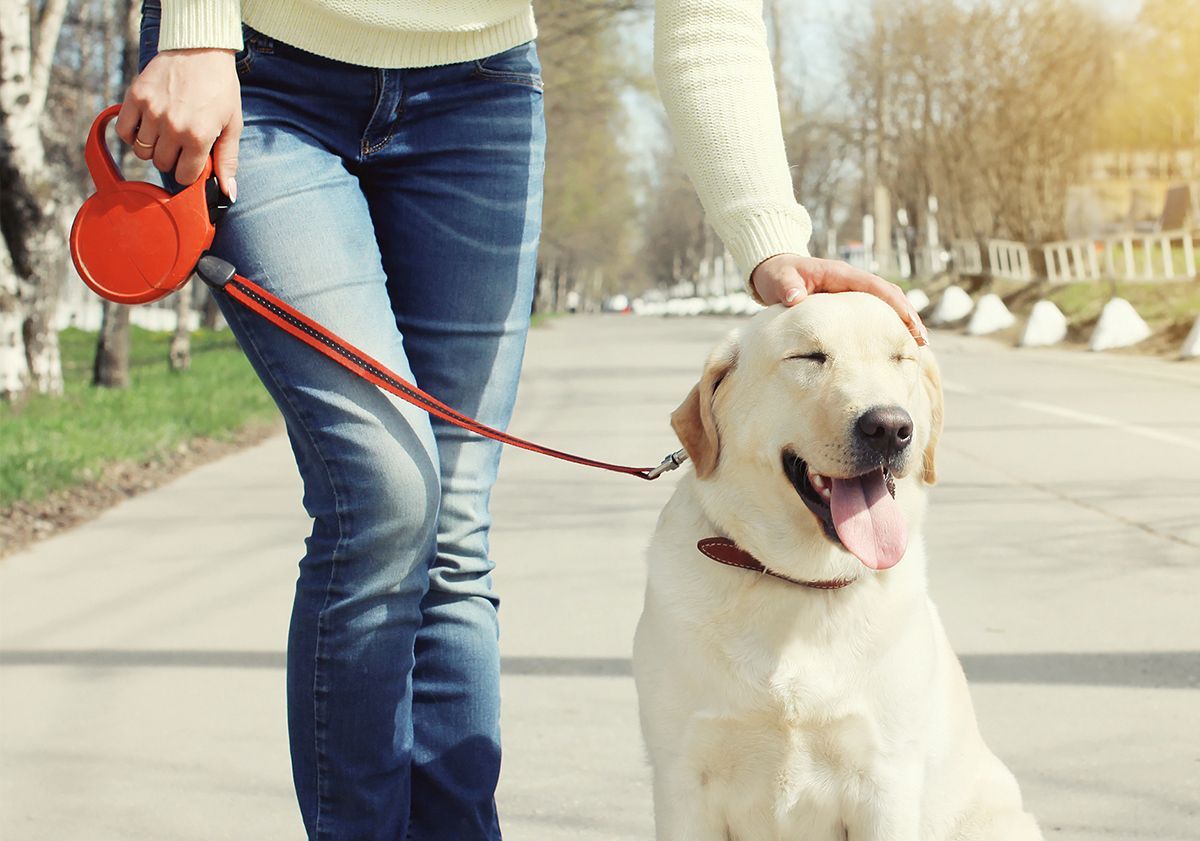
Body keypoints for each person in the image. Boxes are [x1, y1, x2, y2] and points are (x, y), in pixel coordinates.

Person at [118, 2, 928, 839]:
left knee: (455, 525)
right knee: (388, 493)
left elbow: (708, 23)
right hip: (260, 72)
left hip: (477, 95)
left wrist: (770, 239)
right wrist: (192, 30)